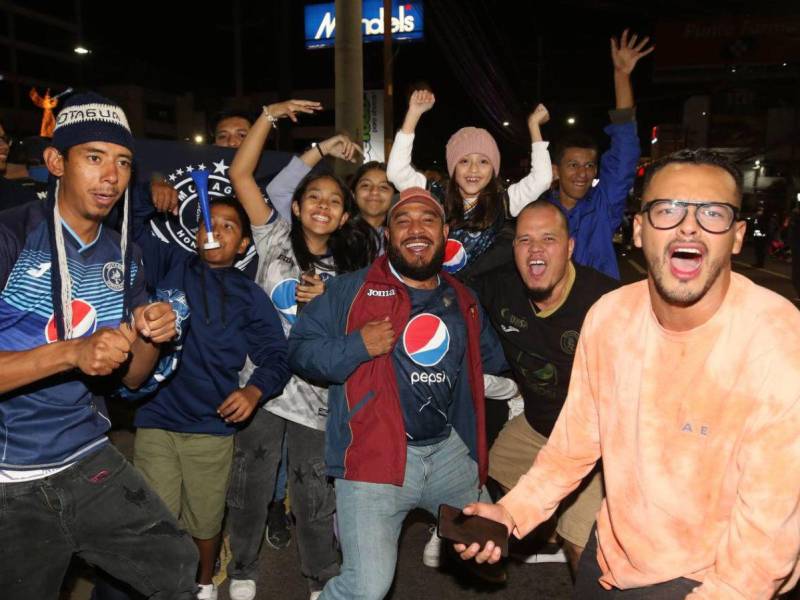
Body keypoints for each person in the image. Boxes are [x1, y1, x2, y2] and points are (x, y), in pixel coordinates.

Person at [456, 149, 800, 599]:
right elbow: (573, 445)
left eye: (712, 212)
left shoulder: (777, 339)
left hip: (710, 574)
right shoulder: (610, 316)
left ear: (737, 237)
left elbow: (768, 528)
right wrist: (513, 512)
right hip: (613, 554)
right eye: (667, 209)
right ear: (639, 229)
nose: (688, 226)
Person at [0, 92, 198, 599]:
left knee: (176, 563)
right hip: (8, 477)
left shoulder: (123, 255)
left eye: (123, 162)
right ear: (55, 162)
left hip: (87, 456)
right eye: (94, 158)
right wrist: (71, 351)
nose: (111, 176)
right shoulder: (10, 236)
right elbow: (79, 353)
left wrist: (154, 333)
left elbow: (132, 378)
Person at [288, 187, 509, 600]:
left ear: (445, 232)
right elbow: (299, 349)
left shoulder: (463, 298)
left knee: (493, 541)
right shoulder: (348, 291)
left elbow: (492, 361)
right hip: (376, 456)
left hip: (448, 455)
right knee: (367, 587)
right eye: (402, 221)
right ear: (388, 234)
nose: (415, 229)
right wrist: (356, 346)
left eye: (427, 220)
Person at [226, 99, 375, 600]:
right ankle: (243, 567)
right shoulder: (273, 241)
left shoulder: (353, 270)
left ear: (344, 215)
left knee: (315, 496)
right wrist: (278, 122)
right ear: (296, 205)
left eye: (335, 201)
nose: (323, 205)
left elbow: (362, 333)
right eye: (314, 196)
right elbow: (241, 174)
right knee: (249, 486)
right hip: (262, 391)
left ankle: (320, 580)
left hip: (318, 400)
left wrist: (330, 300)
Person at [131, 194, 291, 600]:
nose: (216, 231)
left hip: (211, 425)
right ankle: (166, 586)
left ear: (242, 246)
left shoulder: (249, 294)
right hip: (157, 418)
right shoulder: (169, 264)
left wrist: (255, 390)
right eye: (209, 222)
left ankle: (204, 582)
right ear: (194, 232)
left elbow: (276, 355)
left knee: (205, 520)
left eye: (228, 226)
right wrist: (151, 198)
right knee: (157, 517)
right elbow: (124, 233)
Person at [465, 200, 617, 573]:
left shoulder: (607, 304)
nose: (535, 249)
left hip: (593, 443)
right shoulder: (500, 287)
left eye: (548, 238)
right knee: (484, 472)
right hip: (535, 424)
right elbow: (444, 290)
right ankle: (544, 526)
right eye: (524, 240)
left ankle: (573, 531)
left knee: (580, 545)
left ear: (569, 248)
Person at [387, 92, 552, 277]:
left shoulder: (504, 201)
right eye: (464, 161)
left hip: (480, 298)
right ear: (453, 167)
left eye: (483, 162)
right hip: (436, 291)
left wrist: (534, 126)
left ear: (493, 169)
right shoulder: (435, 194)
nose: (474, 169)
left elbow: (543, 178)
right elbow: (396, 172)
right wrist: (413, 115)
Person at [536, 29, 652, 280]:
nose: (582, 173)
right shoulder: (540, 211)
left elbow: (625, 150)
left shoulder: (604, 204)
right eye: (573, 165)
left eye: (589, 165)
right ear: (556, 170)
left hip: (599, 310)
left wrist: (621, 76)